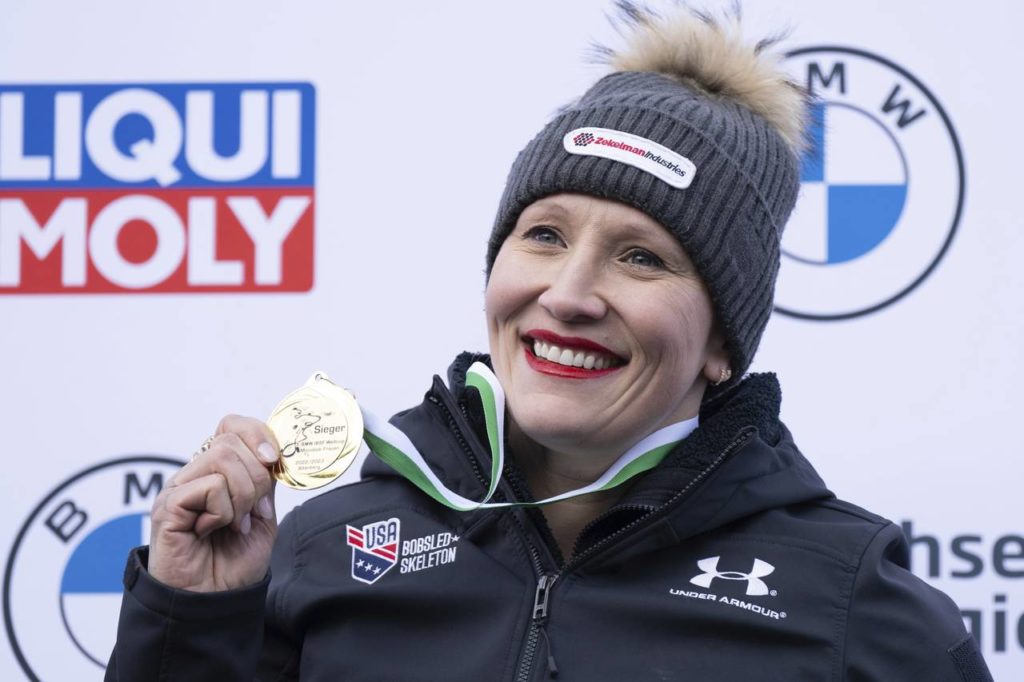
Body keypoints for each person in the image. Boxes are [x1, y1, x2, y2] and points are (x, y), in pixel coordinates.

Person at [105, 5, 993, 681]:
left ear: (723, 341)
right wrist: (191, 616)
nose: (567, 295)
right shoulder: (326, 547)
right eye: (544, 236)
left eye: (642, 258)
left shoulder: (847, 600)